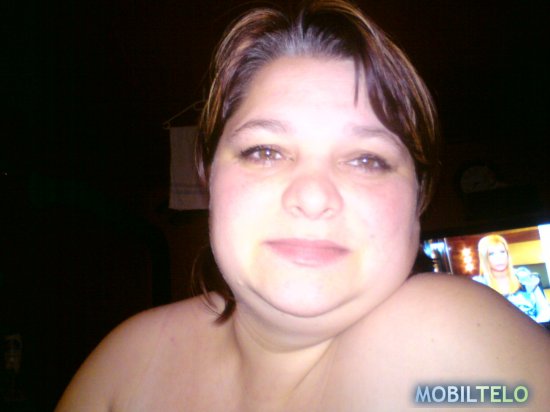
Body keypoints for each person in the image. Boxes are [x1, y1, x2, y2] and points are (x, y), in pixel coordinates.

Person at [56, 1, 550, 410]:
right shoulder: (127, 361)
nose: (313, 197)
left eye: (366, 160)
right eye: (265, 151)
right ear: (208, 175)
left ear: (419, 199)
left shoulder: (441, 343)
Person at [474, 234, 550, 324]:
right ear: (484, 258)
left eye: (502, 252)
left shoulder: (524, 277)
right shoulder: (479, 284)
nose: (499, 258)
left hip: (534, 328)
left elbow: (545, 311)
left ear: (507, 254)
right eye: (491, 254)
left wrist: (532, 327)